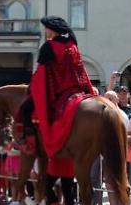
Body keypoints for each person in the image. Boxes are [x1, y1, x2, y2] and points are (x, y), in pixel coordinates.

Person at [20, 16, 94, 150]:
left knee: (25, 109)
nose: (45, 31)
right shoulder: (72, 44)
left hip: (59, 91)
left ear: (52, 30)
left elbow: (41, 74)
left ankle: (31, 143)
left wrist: (33, 87)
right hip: (77, 89)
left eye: (46, 29)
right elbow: (80, 70)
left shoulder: (49, 46)